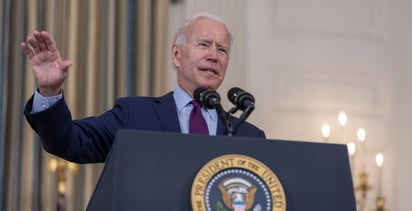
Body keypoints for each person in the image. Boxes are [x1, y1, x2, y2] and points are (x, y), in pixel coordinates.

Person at [21, 13, 265, 164]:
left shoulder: (249, 136)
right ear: (176, 54)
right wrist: (49, 91)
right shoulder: (134, 115)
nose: (214, 55)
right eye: (204, 44)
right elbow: (68, 142)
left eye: (222, 50)